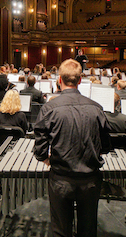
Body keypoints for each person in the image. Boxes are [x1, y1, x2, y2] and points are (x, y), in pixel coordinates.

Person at [34, 59, 111, 237]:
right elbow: (106, 146)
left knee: (61, 230)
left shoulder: (49, 108)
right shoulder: (97, 108)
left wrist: (45, 157)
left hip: (61, 178)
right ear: (79, 81)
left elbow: (40, 146)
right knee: (88, 230)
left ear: (59, 80)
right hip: (90, 179)